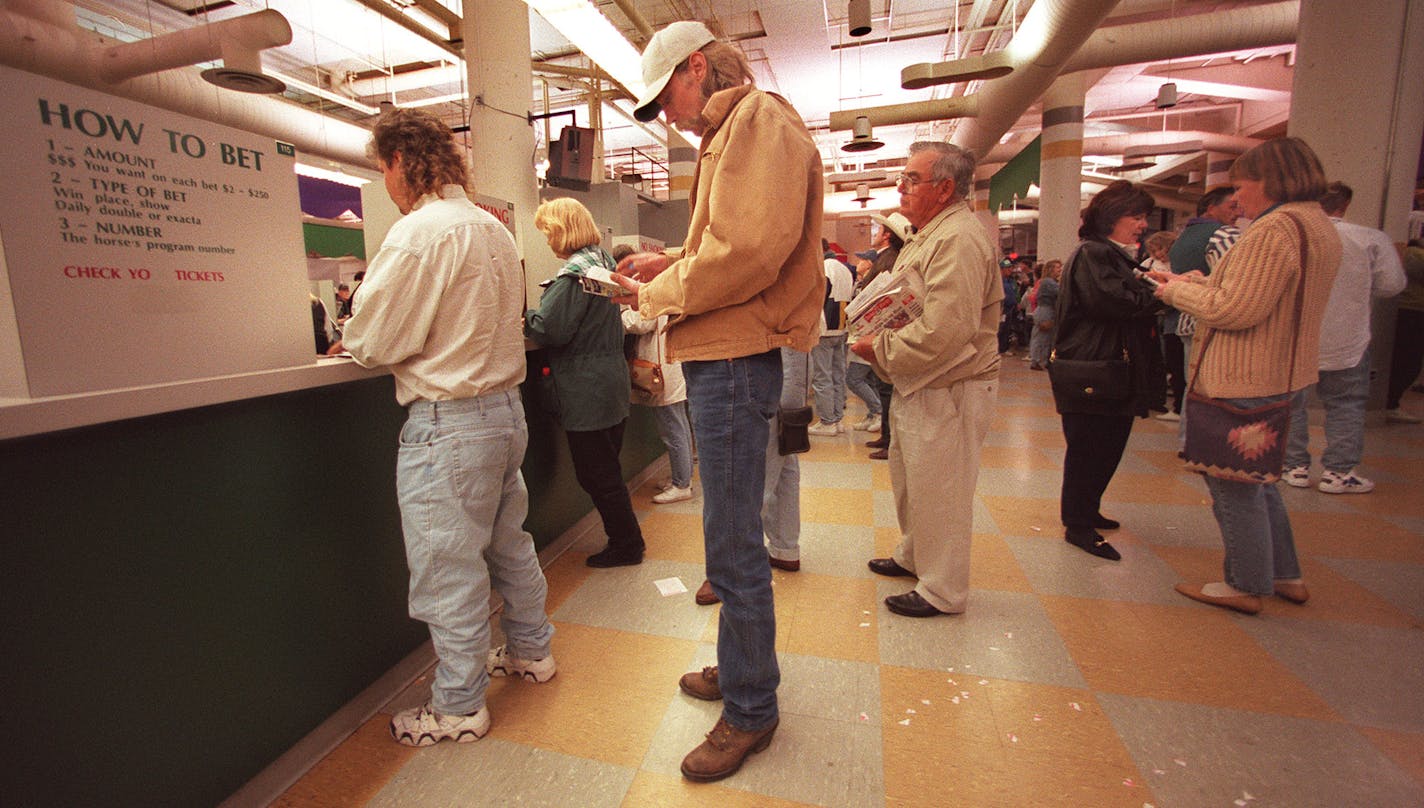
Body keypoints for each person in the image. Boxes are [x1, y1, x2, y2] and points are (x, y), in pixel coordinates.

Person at [613, 20, 823, 782]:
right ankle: (741, 674)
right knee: (725, 535)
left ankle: (752, 709)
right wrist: (670, 257)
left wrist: (656, 291)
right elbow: (730, 239)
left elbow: (750, 251)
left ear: (696, 66)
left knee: (734, 543)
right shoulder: (734, 129)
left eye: (664, 93)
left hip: (733, 358)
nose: (664, 113)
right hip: (724, 356)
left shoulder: (757, 121)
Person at [333, 108, 554, 746]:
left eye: (383, 170)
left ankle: (457, 706)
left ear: (401, 161)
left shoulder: (419, 233)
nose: (385, 184)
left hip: (449, 424)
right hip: (504, 414)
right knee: (509, 542)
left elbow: (373, 341)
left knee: (447, 569)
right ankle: (532, 650)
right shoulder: (491, 231)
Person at [1151, 136, 1341, 615]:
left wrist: (1174, 293)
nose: (1237, 198)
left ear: (1270, 180)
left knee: (1232, 481)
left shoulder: (1273, 229)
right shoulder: (1318, 225)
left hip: (1244, 376)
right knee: (1261, 479)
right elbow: (1257, 294)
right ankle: (1285, 574)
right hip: (1285, 371)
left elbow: (1235, 309)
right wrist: (1199, 284)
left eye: (1242, 185)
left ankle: (1246, 582)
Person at [852, 141, 1000, 618]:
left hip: (951, 383)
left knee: (943, 489)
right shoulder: (929, 232)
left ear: (945, 188)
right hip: (921, 380)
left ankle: (943, 589)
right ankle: (915, 554)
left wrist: (881, 347)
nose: (901, 186)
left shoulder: (957, 237)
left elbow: (947, 330)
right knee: (913, 479)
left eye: (912, 179)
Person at [525, 198, 647, 568]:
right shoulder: (604, 265)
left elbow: (550, 329)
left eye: (548, 231)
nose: (547, 239)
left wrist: (527, 315)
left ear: (562, 230)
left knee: (596, 473)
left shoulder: (574, 276)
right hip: (610, 381)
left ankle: (627, 544)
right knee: (606, 467)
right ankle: (626, 539)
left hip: (585, 387)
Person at [1050, 181, 1164, 561]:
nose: (1142, 225)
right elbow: (1115, 302)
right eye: (1137, 216)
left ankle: (1088, 509)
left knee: (1106, 445)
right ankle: (1078, 523)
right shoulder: (1095, 254)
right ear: (1112, 217)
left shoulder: (1106, 255)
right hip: (1094, 370)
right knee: (1090, 448)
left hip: (1105, 368)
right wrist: (1158, 294)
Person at [1283, 182, 1405, 493]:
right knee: (1347, 404)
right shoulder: (1369, 238)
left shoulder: (1294, 236)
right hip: (1348, 338)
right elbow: (1392, 285)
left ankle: (1293, 465)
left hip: (1295, 335)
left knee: (1291, 404)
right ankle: (1338, 473)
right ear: (1345, 205)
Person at [695, 347, 809, 605]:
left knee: (749, 474)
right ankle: (784, 546)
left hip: (761, 359)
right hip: (790, 359)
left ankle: (731, 569)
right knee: (784, 453)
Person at [614, 243, 696, 505]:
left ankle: (682, 484)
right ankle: (680, 477)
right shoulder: (658, 281)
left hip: (663, 368)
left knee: (672, 428)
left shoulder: (649, 284)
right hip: (672, 365)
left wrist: (620, 314)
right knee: (678, 425)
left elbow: (643, 320)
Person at [858, 213, 912, 459]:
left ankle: (890, 438)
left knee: (887, 388)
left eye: (878, 230)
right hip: (880, 331)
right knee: (883, 386)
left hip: (884, 331)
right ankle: (887, 435)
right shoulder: (888, 257)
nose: (874, 234)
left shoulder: (889, 259)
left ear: (888, 235)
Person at [809, 239, 853, 435]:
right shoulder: (844, 268)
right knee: (838, 375)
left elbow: (818, 296)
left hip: (824, 327)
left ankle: (827, 421)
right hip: (841, 327)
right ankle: (837, 418)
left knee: (822, 377)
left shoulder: (824, 267)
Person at [1143, 231, 1183, 421]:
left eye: (1160, 249)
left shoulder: (1178, 265)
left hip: (1171, 315)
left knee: (1168, 358)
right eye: (1154, 250)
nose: (1158, 254)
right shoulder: (1149, 265)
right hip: (1155, 316)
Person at [1385, 239, 1424, 423]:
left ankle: (1389, 401)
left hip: (1403, 312)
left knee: (1401, 360)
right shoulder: (1416, 256)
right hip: (1414, 313)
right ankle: (1390, 403)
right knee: (1409, 362)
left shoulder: (1406, 254)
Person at [1027, 259, 1062, 371]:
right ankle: (1036, 360)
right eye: (1057, 268)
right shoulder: (1048, 282)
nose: (1060, 270)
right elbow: (1060, 292)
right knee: (1041, 337)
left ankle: (1041, 360)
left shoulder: (1047, 282)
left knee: (1045, 337)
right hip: (1045, 311)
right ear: (1051, 269)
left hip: (1044, 310)